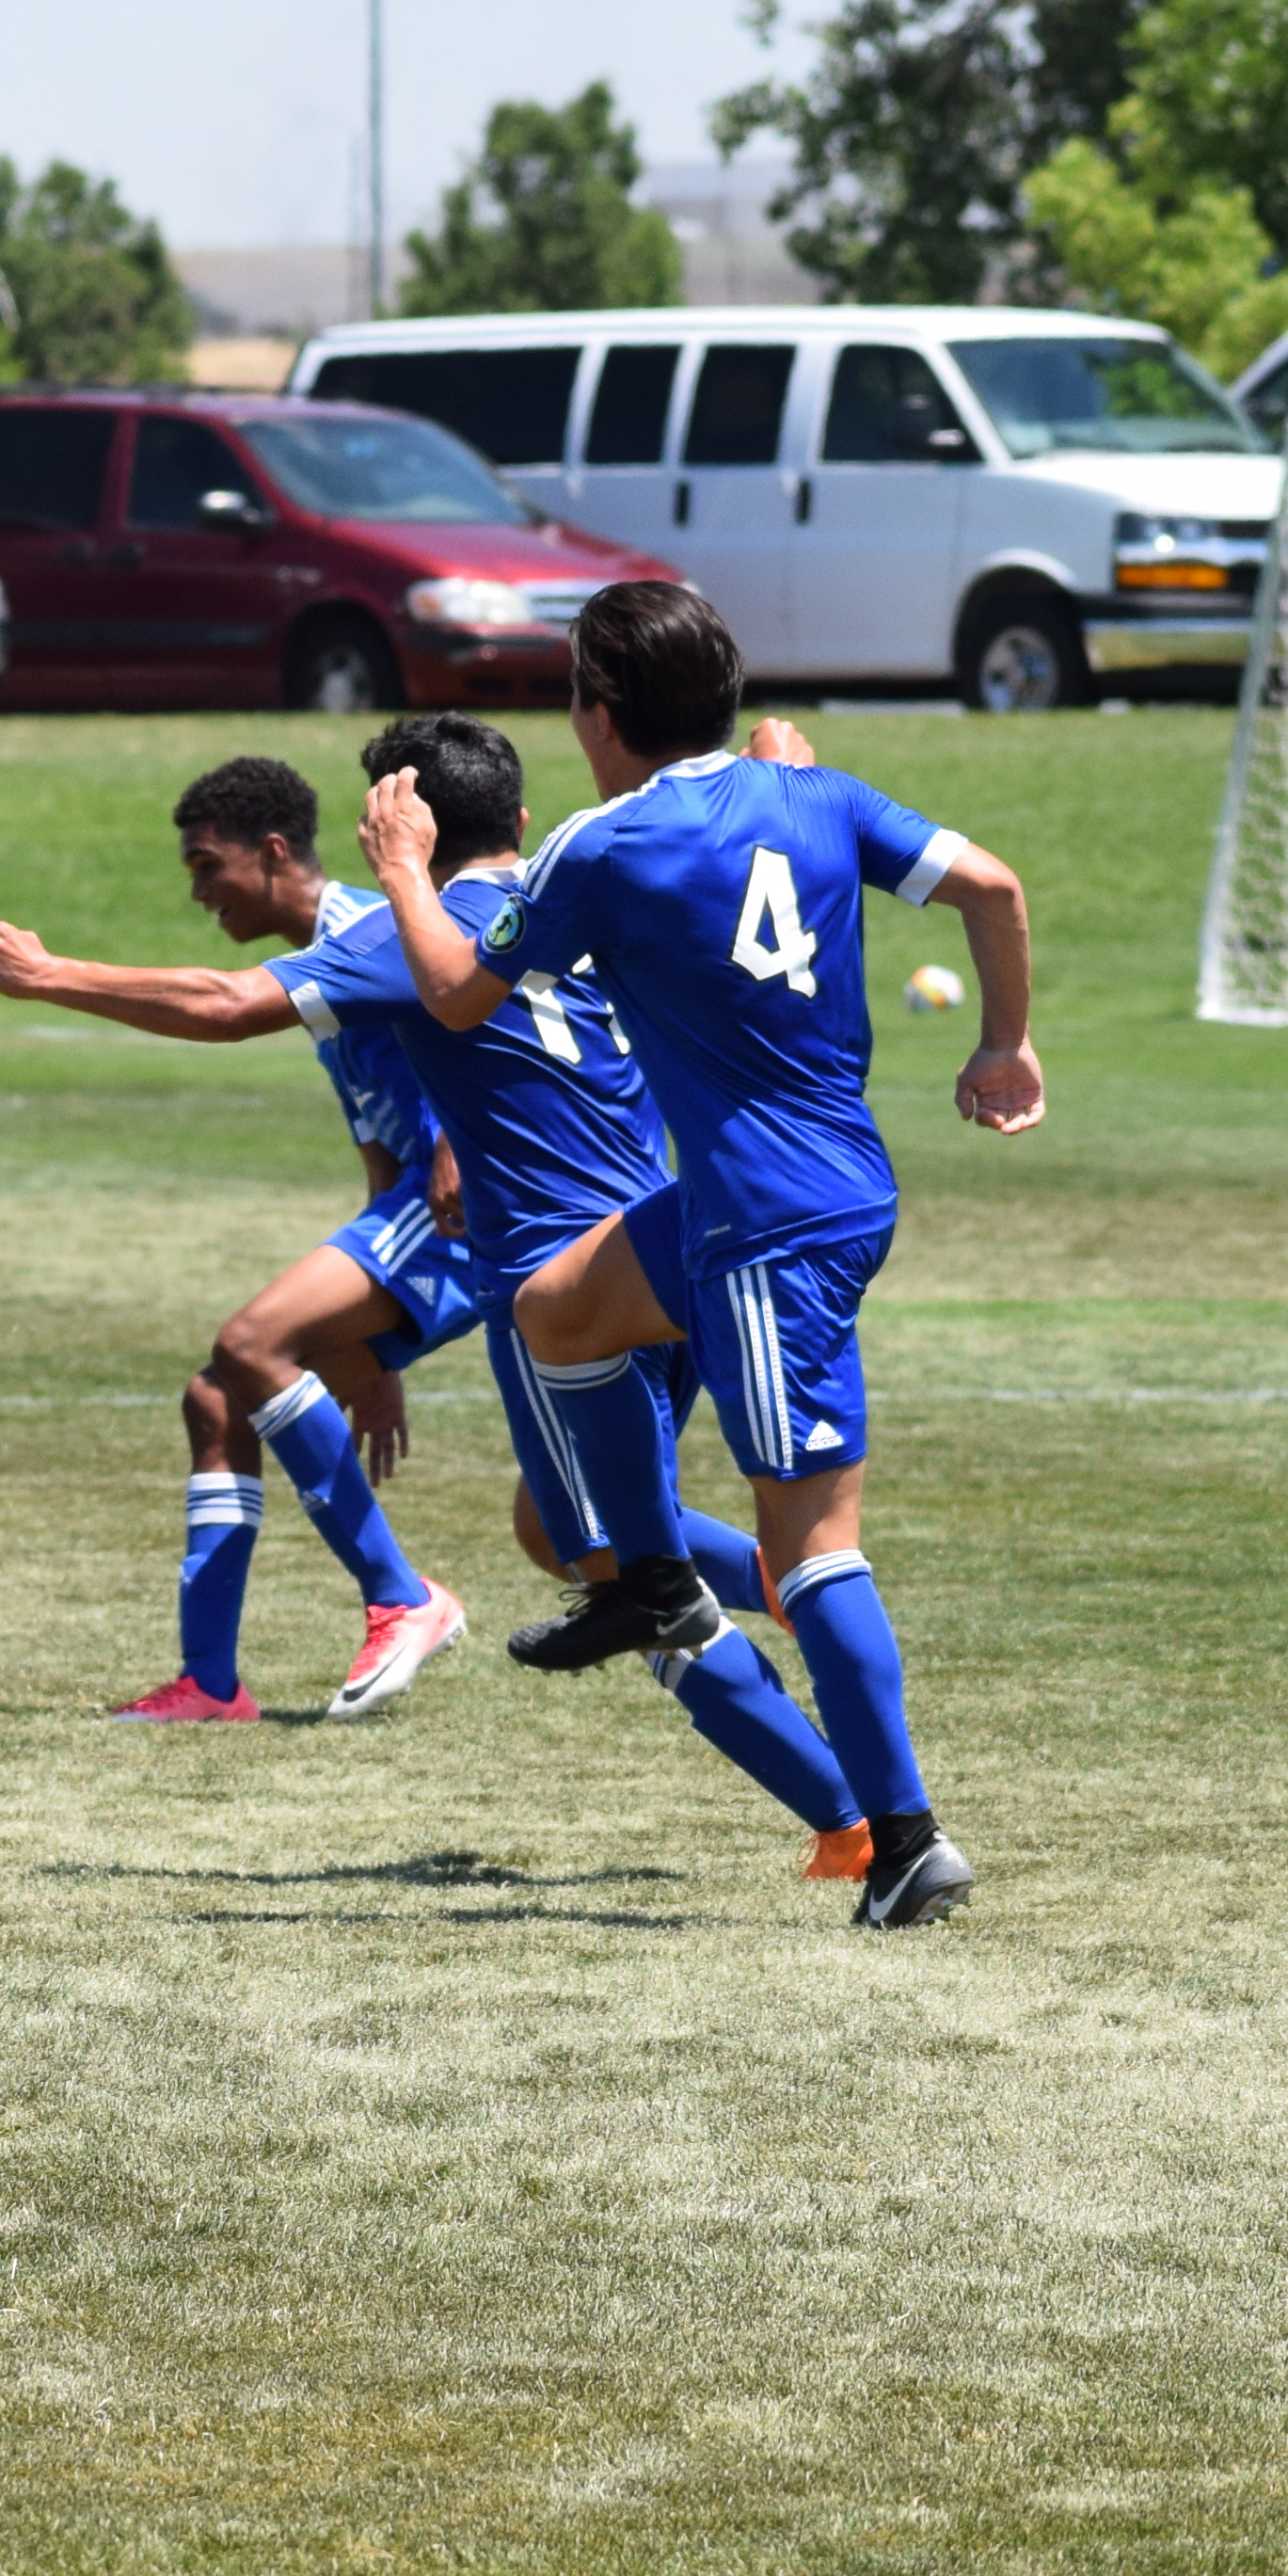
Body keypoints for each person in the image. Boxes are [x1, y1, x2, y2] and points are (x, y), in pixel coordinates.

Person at [372, 583, 1044, 1931]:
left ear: (598, 714)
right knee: (559, 1310)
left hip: (761, 1228)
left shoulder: (596, 846)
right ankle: (651, 1578)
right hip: (800, 1191)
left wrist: (400, 860)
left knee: (811, 1547)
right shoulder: (817, 794)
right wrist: (1002, 1042)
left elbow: (454, 989)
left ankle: (904, 1840)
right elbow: (993, 886)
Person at [236, 713, 891, 1882]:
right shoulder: (598, 879)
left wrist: (48, 977)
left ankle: (849, 1817)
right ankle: (798, 1600)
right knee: (558, 1527)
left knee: (616, 1570)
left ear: (404, 826)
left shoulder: (416, 929)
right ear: (522, 817)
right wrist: (780, 776)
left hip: (558, 1293)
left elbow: (221, 1004)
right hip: (668, 1248)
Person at [0, 754, 476, 1723]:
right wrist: (372, 1343)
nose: (199, 890)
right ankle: (210, 1681)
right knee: (218, 1397)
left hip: (467, 1208)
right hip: (411, 1211)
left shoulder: (375, 926)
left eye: (208, 866)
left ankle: (403, 1596)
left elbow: (457, 1023)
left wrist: (51, 975)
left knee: (250, 1345)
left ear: (274, 851)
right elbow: (378, 1140)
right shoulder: (337, 957)